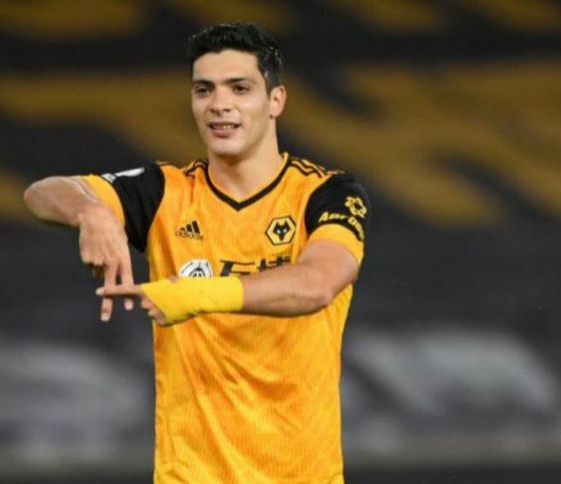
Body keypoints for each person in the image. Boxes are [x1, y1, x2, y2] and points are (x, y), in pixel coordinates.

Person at [24, 22, 371, 483]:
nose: (219, 104)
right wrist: (91, 212)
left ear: (275, 101)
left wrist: (196, 294)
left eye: (240, 88)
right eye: (204, 90)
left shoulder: (324, 193)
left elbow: (319, 282)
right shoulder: (165, 192)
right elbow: (42, 192)